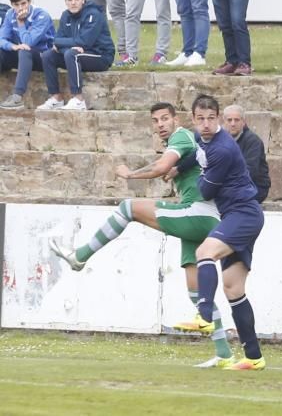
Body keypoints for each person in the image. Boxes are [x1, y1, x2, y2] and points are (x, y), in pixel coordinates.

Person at [49, 101, 234, 368]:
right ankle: (224, 354)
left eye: (164, 119)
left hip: (198, 212)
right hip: (203, 217)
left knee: (127, 208)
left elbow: (160, 167)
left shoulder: (180, 136)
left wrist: (130, 175)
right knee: (197, 294)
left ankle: (80, 256)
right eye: (156, 120)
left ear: (175, 119)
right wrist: (173, 170)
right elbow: (172, 165)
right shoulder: (183, 141)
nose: (160, 124)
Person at [175, 94, 266, 371]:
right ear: (193, 119)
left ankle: (203, 315)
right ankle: (253, 357)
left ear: (219, 120)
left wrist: (196, 175)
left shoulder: (222, 149)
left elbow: (205, 191)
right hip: (237, 214)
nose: (205, 124)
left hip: (243, 213)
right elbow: (194, 154)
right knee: (233, 287)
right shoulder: (204, 139)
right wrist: (179, 167)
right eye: (200, 119)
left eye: (210, 119)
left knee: (204, 252)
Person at [36, 0, 115, 112]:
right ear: (66, 1)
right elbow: (56, 41)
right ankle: (56, 98)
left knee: (71, 54)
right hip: (76, 54)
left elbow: (85, 41)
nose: (73, 3)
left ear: (83, 0)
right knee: (48, 55)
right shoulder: (65, 16)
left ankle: (78, 100)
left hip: (100, 55)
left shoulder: (93, 14)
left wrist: (70, 46)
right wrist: (70, 46)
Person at [0, 0, 55, 110]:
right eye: (16, 5)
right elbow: (1, 39)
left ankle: (17, 98)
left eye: (23, 3)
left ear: (30, 2)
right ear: (12, 5)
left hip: (44, 58)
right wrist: (12, 46)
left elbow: (28, 42)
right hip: (23, 57)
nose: (20, 8)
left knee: (25, 50)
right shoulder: (9, 14)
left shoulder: (42, 16)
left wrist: (20, 22)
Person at [222, 105, 270, 203]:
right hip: (230, 185)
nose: (233, 124)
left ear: (243, 122)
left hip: (254, 187)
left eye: (236, 120)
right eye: (229, 120)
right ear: (224, 122)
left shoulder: (253, 141)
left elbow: (250, 171)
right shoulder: (220, 139)